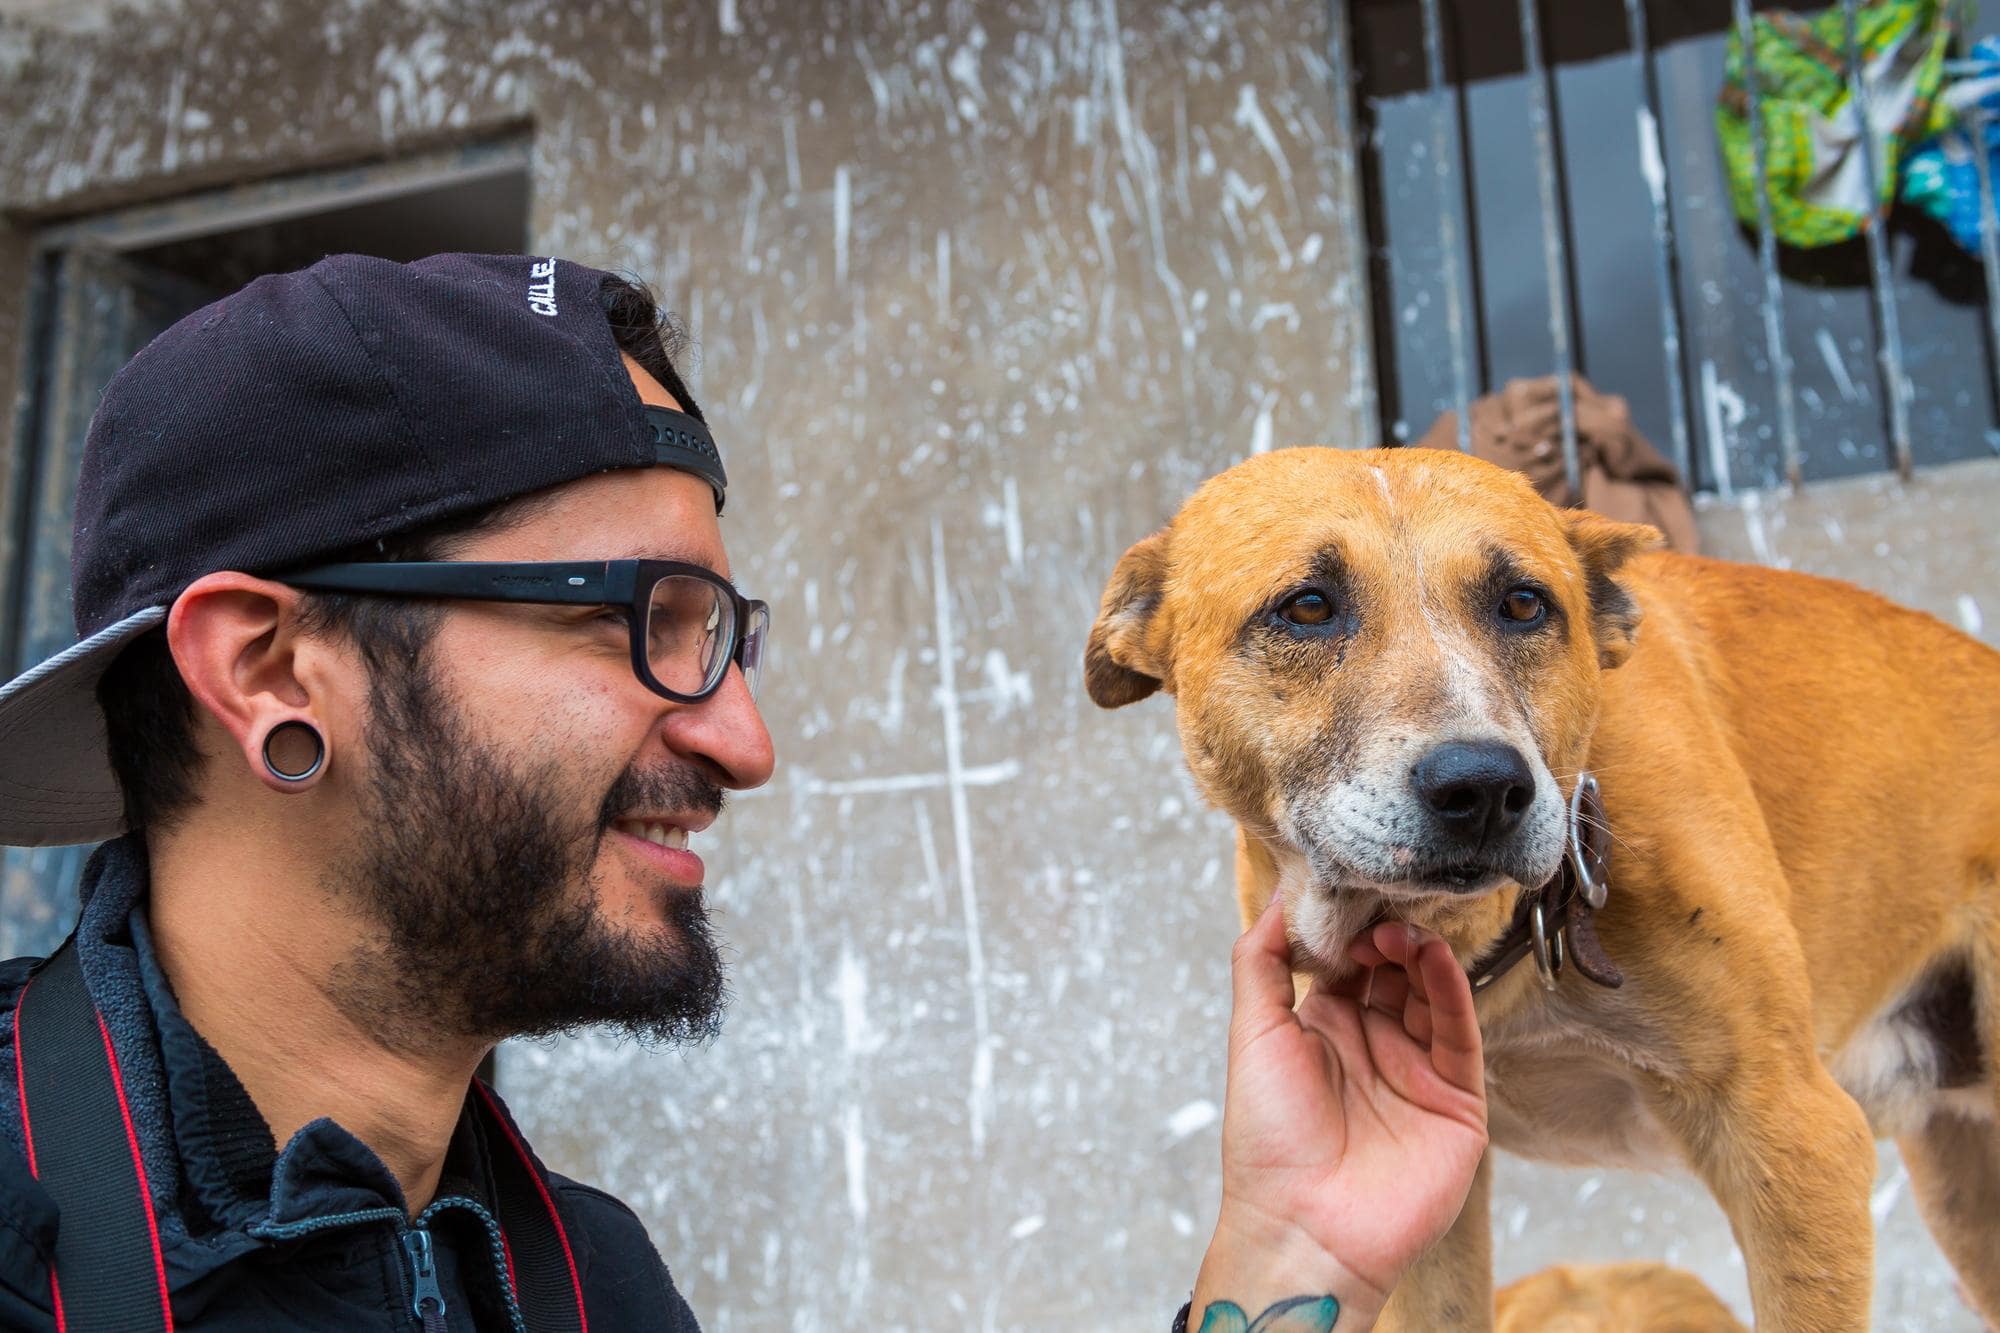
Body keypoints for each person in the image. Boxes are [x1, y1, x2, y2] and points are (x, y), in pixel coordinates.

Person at [0, 253, 1487, 1331]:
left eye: (723, 635)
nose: (745, 741)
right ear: (270, 672)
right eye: (648, 618)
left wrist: (1291, 1247)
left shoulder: (584, 1282)